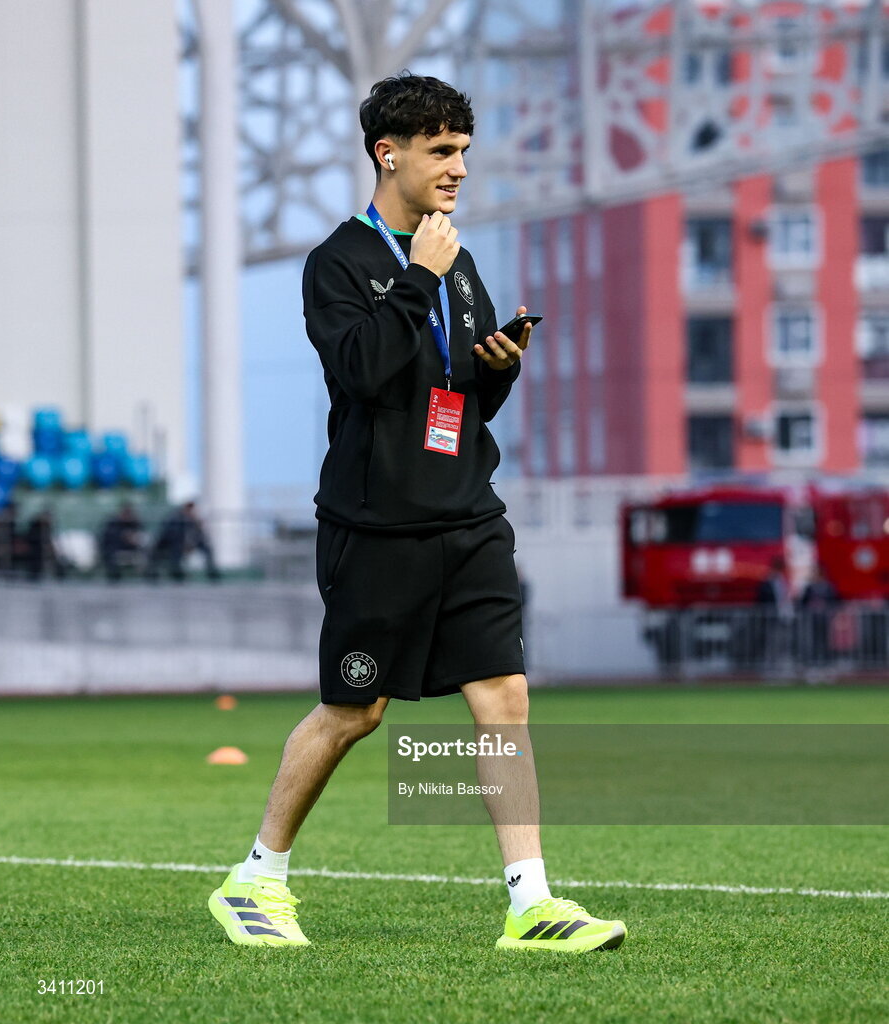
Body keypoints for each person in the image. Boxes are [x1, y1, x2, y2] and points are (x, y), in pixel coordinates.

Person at [207, 72, 627, 954]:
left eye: (463, 150)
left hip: (468, 516)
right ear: (387, 153)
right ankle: (256, 879)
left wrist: (498, 368)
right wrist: (417, 278)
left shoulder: (459, 263)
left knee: (504, 697)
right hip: (377, 529)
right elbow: (363, 372)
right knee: (355, 712)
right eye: (441, 151)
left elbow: (455, 398)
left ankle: (531, 904)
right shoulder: (339, 262)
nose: (458, 168)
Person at [146, 501, 219, 582]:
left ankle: (212, 573)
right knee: (175, 550)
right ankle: (177, 573)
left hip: (188, 544)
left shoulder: (193, 520)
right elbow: (172, 536)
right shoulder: (176, 518)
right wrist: (185, 545)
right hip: (172, 544)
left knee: (207, 549)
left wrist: (192, 542)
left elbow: (199, 536)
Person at [98, 502, 145, 581]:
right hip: (115, 550)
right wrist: (123, 536)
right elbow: (106, 539)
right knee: (110, 555)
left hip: (132, 550)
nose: (127, 515)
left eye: (129, 513)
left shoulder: (135, 523)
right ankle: (114, 579)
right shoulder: (113, 522)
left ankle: (146, 577)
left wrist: (134, 539)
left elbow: (141, 536)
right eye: (125, 512)